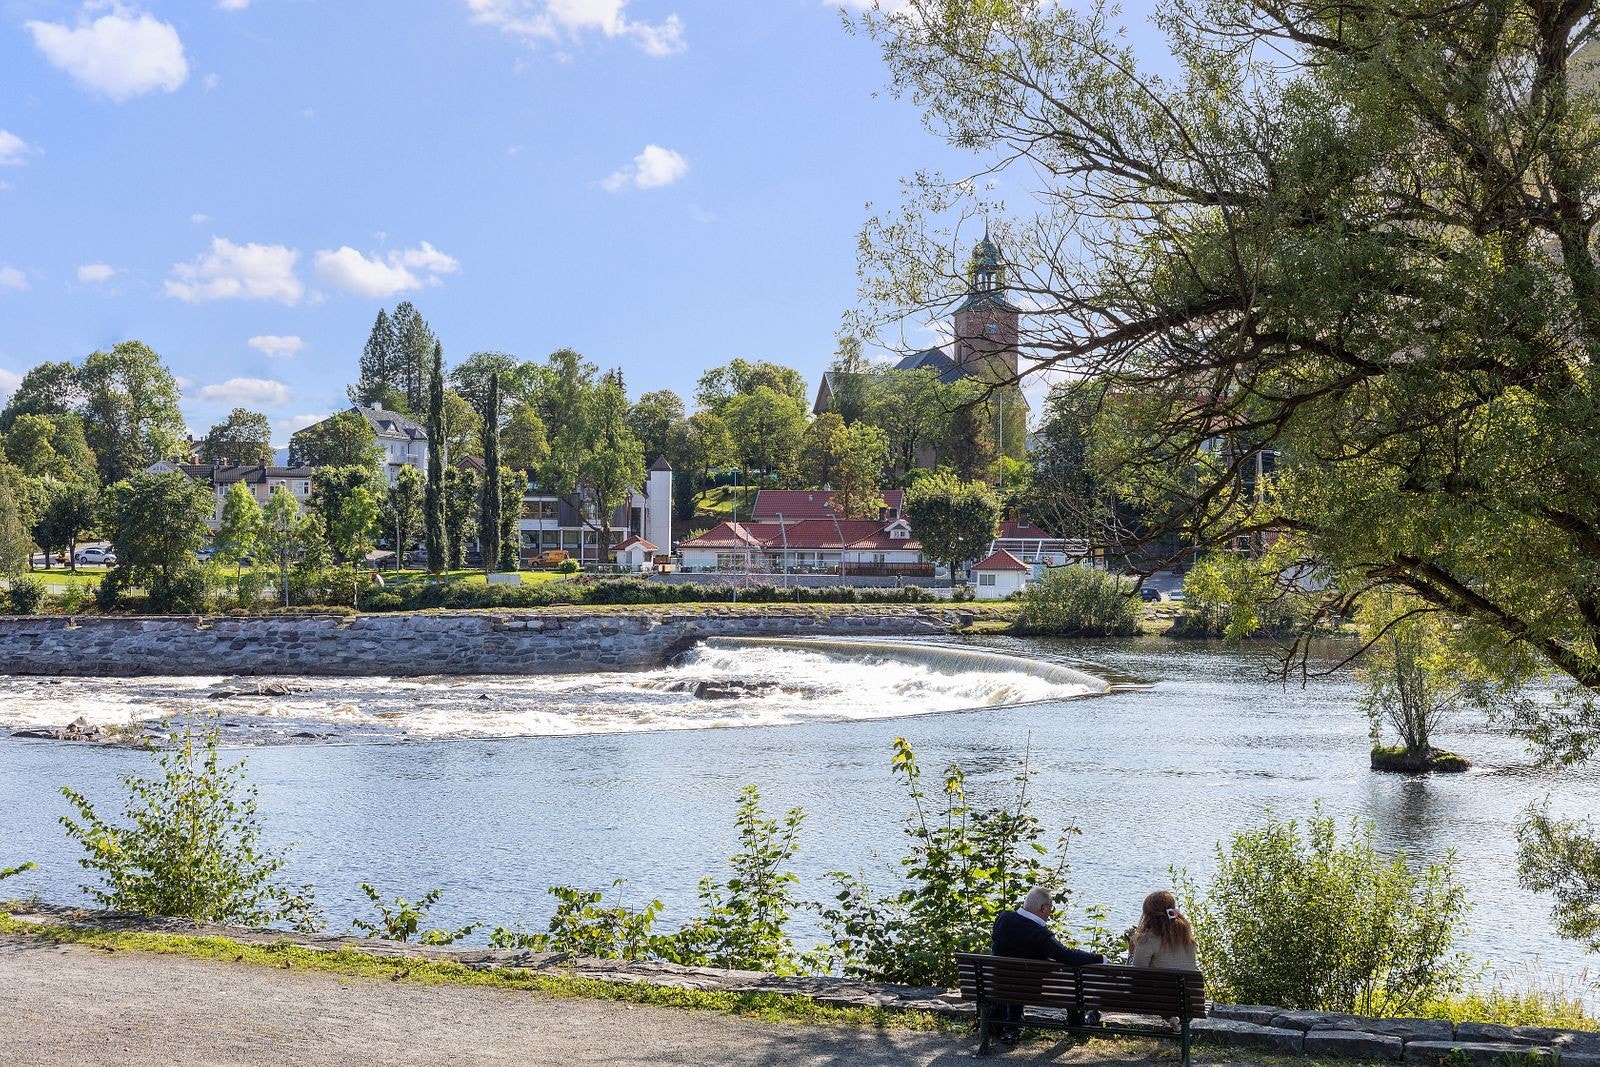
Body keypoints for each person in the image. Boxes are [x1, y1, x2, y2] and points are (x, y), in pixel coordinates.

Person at [989, 886, 1106, 1045]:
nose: (1050, 913)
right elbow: (1068, 955)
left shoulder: (1003, 918)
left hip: (1000, 987)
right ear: (1043, 908)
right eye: (1051, 908)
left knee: (1015, 976)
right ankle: (1077, 1025)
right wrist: (1101, 958)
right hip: (1033, 991)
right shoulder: (1040, 935)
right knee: (1071, 983)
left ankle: (1012, 1028)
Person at [1126, 890, 1199, 1031]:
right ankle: (1175, 1018)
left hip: (1160, 999)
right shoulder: (1187, 936)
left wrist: (1131, 953)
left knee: (1152, 987)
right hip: (1189, 998)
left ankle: (1171, 1016)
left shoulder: (1147, 939)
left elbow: (1136, 975)